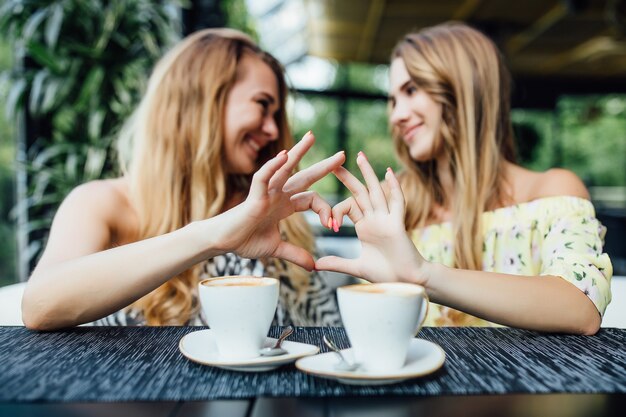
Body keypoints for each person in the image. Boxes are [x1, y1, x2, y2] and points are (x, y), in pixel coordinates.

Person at [22, 28, 345, 330]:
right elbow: (40, 307)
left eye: (277, 115)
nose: (273, 130)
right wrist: (211, 237)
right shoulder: (100, 203)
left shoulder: (271, 211)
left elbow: (322, 335)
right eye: (262, 105)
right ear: (200, 100)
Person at [316, 22, 612, 335]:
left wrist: (424, 274)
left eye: (411, 90)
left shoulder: (552, 193)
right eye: (392, 100)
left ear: (465, 87)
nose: (396, 115)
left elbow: (581, 307)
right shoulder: (400, 208)